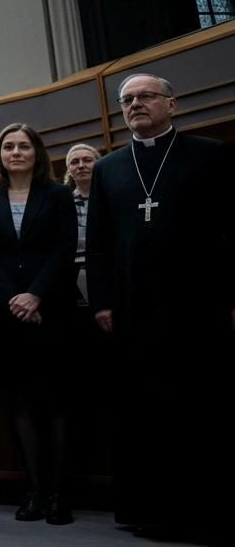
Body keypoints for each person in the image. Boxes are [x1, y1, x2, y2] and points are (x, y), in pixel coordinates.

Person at [87, 74, 234, 535]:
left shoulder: (209, 154)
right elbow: (98, 242)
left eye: (145, 97)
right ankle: (146, 510)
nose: (135, 104)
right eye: (127, 100)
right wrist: (103, 302)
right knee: (141, 408)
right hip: (132, 308)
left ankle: (207, 512)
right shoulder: (108, 167)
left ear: (172, 104)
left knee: (201, 405)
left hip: (198, 302)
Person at [0, 123, 78, 525]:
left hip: (50, 308)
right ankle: (34, 490)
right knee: (20, 401)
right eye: (8, 147)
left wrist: (36, 295)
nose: (16, 152)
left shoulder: (58, 194)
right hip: (4, 311)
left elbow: (65, 247)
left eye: (24, 146)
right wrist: (12, 299)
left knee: (57, 401)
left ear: (37, 152)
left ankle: (60, 495)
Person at [63, 144, 99, 302]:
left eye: (88, 160)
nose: (81, 165)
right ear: (69, 170)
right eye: (74, 162)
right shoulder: (62, 204)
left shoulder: (113, 198)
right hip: (73, 275)